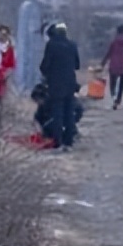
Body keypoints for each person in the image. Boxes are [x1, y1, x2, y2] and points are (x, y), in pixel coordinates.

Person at [39, 22, 81, 151]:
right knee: (69, 112)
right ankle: (69, 142)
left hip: (56, 84)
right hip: (70, 83)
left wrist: (47, 75)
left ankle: (58, 142)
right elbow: (77, 65)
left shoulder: (51, 45)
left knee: (57, 113)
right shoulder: (72, 45)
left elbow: (45, 65)